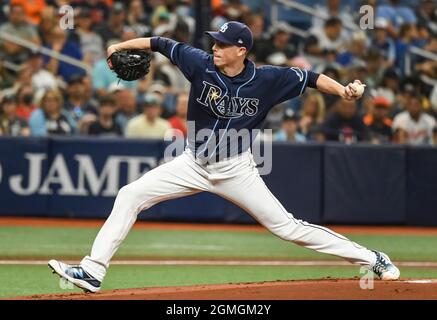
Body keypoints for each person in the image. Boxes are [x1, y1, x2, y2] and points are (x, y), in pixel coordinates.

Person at [48, 21, 400, 293]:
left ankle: (373, 258)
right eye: (214, 41)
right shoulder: (200, 63)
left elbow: (310, 77)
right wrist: (118, 45)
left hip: (236, 169)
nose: (214, 47)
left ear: (241, 50)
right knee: (130, 195)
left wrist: (344, 91)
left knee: (288, 228)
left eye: (223, 44)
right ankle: (93, 271)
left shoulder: (268, 79)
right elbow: (158, 43)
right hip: (191, 162)